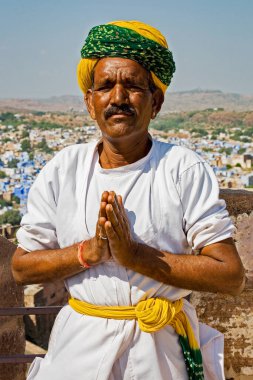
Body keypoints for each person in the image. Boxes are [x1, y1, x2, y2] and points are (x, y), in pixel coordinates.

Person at [12, 20, 245, 380]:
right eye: (105, 86)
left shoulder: (182, 169)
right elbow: (21, 267)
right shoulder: (63, 170)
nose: (118, 98)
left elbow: (230, 275)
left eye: (133, 86)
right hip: (79, 350)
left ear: (157, 101)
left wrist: (134, 255)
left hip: (160, 353)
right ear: (90, 103)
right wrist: (87, 253)